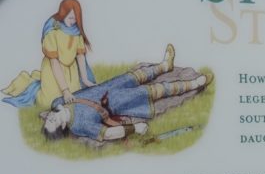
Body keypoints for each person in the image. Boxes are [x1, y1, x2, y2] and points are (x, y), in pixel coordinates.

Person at [41, 44, 212, 142]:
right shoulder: (79, 125)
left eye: (48, 119)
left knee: (137, 75)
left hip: (109, 85)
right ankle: (193, 84)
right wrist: (135, 128)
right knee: (152, 91)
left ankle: (165, 66)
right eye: (52, 123)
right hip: (118, 102)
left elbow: (47, 112)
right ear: (62, 126)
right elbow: (107, 134)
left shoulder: (57, 103)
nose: (50, 118)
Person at [2, 0, 96, 108]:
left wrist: (85, 79)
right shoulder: (52, 31)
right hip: (53, 70)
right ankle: (26, 83)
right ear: (63, 14)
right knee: (49, 103)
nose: (73, 22)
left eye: (76, 18)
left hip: (71, 71)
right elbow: (54, 62)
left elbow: (80, 56)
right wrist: (65, 90)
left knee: (74, 100)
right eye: (70, 18)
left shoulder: (76, 31)